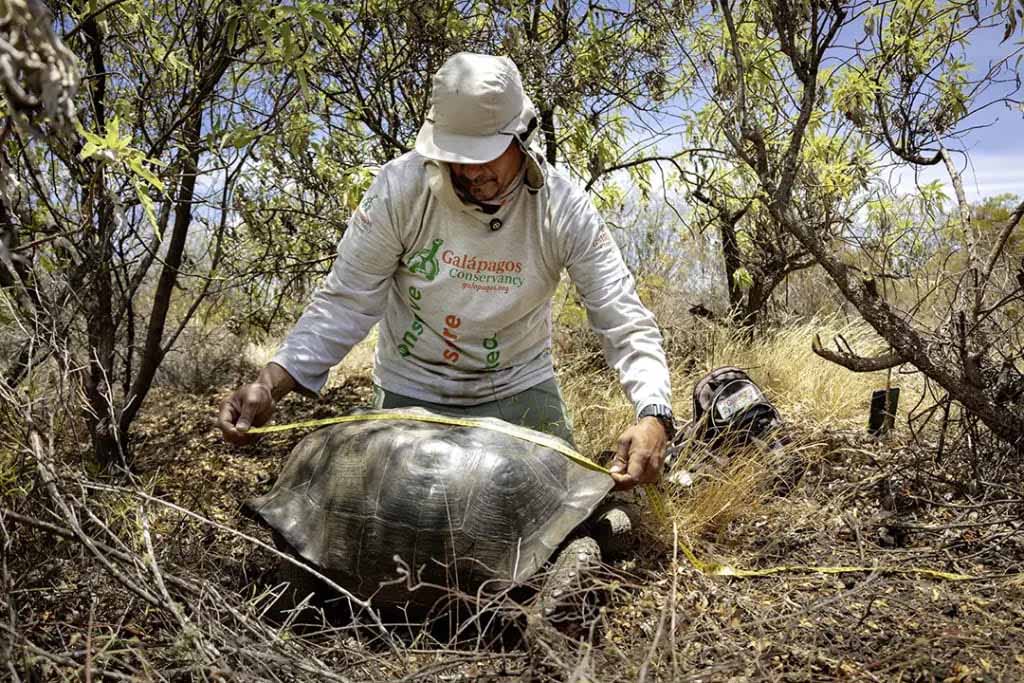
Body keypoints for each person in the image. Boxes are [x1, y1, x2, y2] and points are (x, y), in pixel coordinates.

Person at [218, 52, 674, 490]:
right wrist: (268, 384)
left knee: (557, 514)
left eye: (487, 154)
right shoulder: (400, 189)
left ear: (522, 138)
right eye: (458, 155)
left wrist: (654, 415)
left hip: (518, 383)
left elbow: (621, 317)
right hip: (412, 387)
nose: (472, 171)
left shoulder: (562, 209)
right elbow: (345, 302)